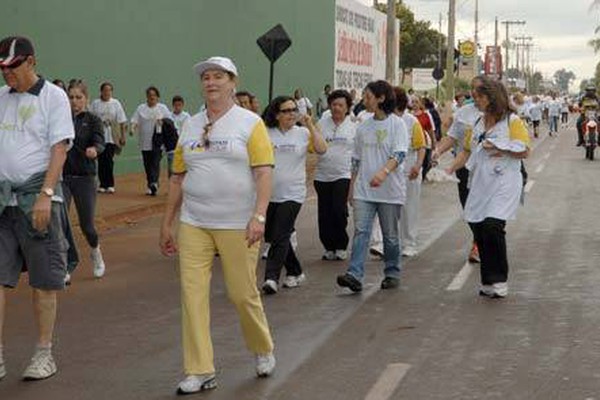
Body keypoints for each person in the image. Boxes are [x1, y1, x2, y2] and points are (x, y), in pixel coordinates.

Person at [160, 56, 276, 394]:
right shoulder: (190, 125)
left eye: (218, 77)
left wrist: (259, 216)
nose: (211, 82)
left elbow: (264, 171)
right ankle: (199, 369)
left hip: (237, 223)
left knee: (242, 294)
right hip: (194, 221)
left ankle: (262, 347)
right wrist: (167, 223)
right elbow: (178, 177)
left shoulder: (249, 123)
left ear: (232, 82)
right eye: (206, 78)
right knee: (192, 295)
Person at [0, 36, 75, 381]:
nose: (7, 74)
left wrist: (46, 194)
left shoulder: (54, 97)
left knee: (44, 282)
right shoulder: (0, 98)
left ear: (31, 61)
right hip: (4, 203)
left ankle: (44, 353)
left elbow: (59, 148)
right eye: (2, 68)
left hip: (38, 201)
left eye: (13, 67)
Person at [447, 77, 530, 298]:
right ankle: (487, 281)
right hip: (481, 182)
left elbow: (524, 150)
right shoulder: (476, 124)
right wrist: (447, 169)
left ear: (492, 98)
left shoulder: (513, 122)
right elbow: (465, 151)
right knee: (480, 228)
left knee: (493, 226)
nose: (476, 101)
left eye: (479, 97)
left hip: (505, 183)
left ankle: (499, 280)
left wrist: (502, 148)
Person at [336, 80, 409, 293]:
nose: (364, 101)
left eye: (368, 97)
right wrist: (352, 186)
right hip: (364, 190)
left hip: (389, 190)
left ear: (381, 98)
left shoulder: (397, 124)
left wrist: (383, 172)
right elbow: (356, 159)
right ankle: (354, 275)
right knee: (361, 231)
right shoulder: (364, 126)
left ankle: (392, 272)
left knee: (390, 235)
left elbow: (400, 153)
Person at [261, 96, 327, 294]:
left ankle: (271, 278)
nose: (291, 114)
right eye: (286, 111)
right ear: (276, 114)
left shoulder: (303, 133)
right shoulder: (265, 133)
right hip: (269, 193)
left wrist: (310, 125)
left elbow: (322, 149)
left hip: (293, 193)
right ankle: (295, 271)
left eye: (293, 110)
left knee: (281, 233)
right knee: (273, 235)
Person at [433, 76, 484, 263]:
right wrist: (437, 151)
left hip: (488, 172)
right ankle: (479, 238)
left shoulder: (497, 114)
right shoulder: (463, 113)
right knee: (468, 207)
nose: (475, 94)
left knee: (485, 209)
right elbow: (453, 138)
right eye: (473, 89)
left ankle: (479, 244)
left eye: (479, 90)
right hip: (464, 167)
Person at [63, 80, 106, 281]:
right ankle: (66, 265)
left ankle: (95, 251)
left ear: (86, 99)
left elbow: (100, 142)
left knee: (86, 225)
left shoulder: (93, 120)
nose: (74, 101)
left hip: (85, 178)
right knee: (60, 222)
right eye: (71, 97)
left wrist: (94, 149)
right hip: (62, 178)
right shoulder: (60, 118)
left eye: (78, 97)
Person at [314, 89, 356, 261]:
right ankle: (328, 246)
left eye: (340, 105)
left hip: (343, 174)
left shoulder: (354, 125)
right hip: (322, 175)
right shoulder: (321, 124)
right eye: (333, 105)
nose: (337, 108)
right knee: (325, 213)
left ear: (347, 107)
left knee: (339, 210)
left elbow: (358, 152)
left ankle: (341, 244)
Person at [395, 87, 426, 257]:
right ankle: (389, 243)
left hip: (409, 170)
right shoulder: (386, 121)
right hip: (391, 172)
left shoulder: (411, 121)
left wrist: (418, 165)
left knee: (409, 208)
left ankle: (409, 243)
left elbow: (421, 146)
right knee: (391, 209)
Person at [130, 86, 170, 196]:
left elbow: (169, 121)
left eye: (153, 95)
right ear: (146, 97)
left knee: (155, 162)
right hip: (144, 141)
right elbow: (134, 120)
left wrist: (163, 122)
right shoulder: (141, 108)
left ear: (157, 97)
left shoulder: (162, 108)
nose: (151, 97)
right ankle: (150, 185)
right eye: (149, 95)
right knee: (147, 164)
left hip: (157, 141)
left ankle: (154, 183)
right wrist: (132, 129)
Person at [89, 81, 127, 194]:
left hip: (112, 136)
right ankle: (102, 184)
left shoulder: (116, 103)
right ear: (101, 91)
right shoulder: (95, 103)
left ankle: (110, 184)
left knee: (109, 160)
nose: (107, 92)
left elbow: (122, 121)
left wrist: (122, 136)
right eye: (105, 90)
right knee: (101, 160)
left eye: (109, 90)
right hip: (99, 136)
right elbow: (91, 118)